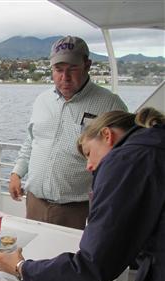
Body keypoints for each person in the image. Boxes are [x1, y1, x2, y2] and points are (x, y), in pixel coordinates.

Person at [0, 107, 165, 281]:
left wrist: (21, 268)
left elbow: (94, 264)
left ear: (107, 135)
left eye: (89, 153)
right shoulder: (152, 146)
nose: (89, 166)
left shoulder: (125, 161)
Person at [9, 35, 127, 230]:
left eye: (72, 69)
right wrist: (17, 173)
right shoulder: (42, 100)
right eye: (58, 70)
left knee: (67, 258)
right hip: (34, 201)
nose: (65, 77)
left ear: (87, 65)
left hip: (75, 209)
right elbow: (31, 141)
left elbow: (122, 158)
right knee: (32, 254)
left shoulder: (110, 104)